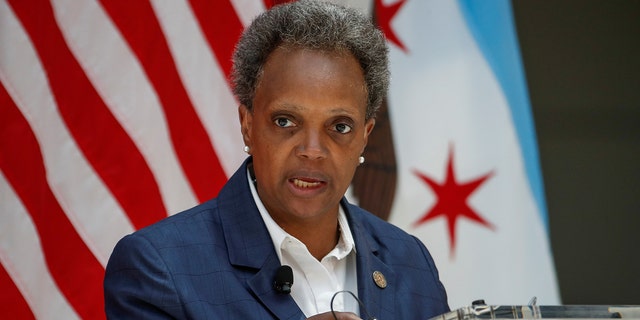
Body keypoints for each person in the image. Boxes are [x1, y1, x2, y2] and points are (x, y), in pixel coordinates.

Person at [104, 1, 449, 319]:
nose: (312, 149)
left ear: (365, 136)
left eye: (339, 126)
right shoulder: (158, 267)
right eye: (285, 121)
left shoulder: (410, 261)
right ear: (248, 126)